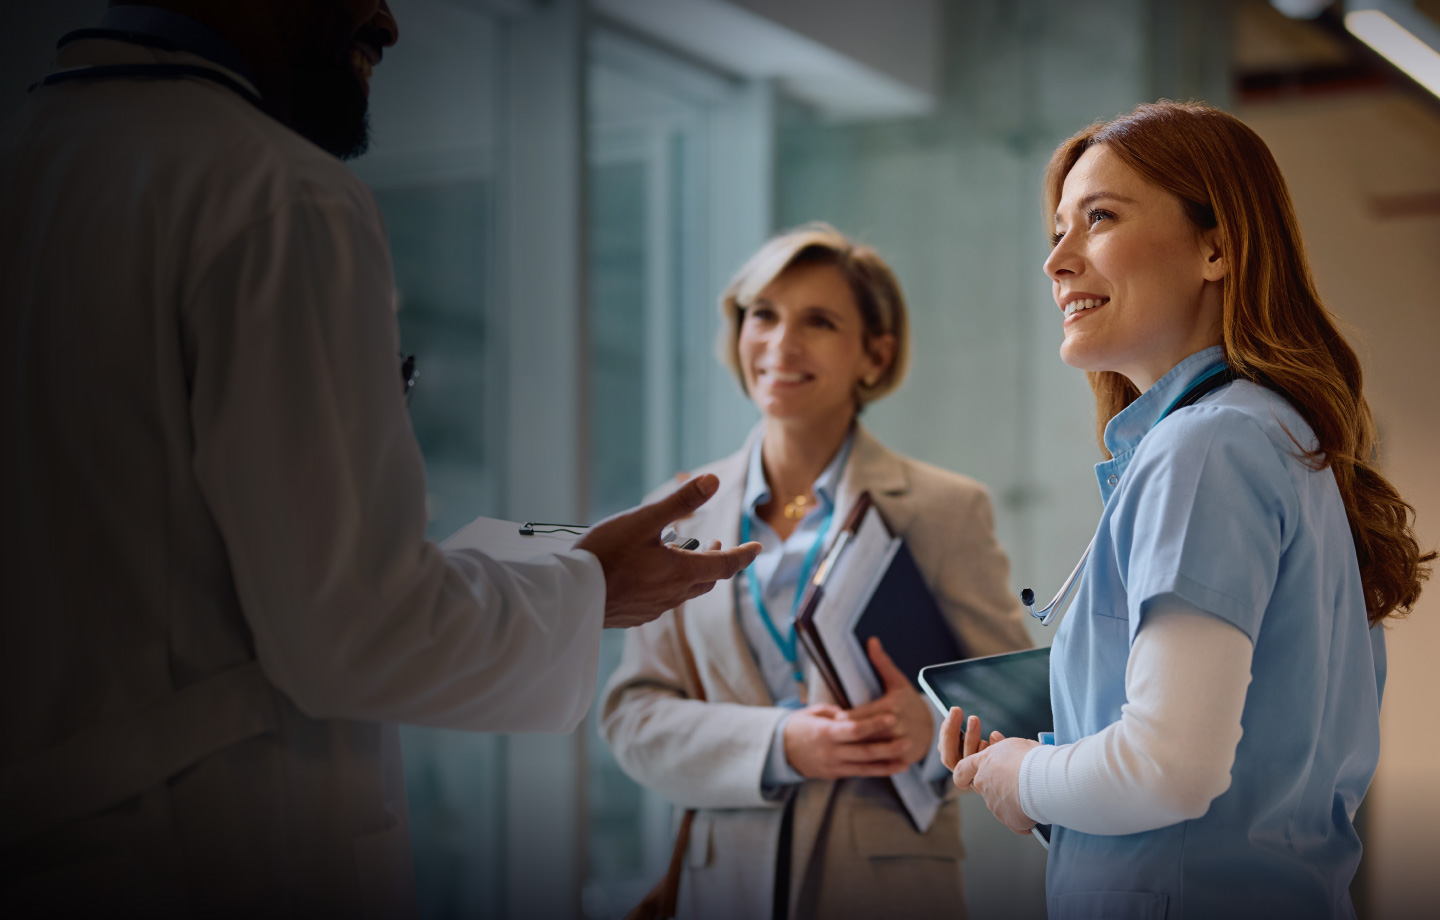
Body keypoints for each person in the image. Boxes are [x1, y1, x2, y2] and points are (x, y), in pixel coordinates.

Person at [0, 1, 758, 915]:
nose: (390, 22)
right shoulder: (276, 193)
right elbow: (356, 629)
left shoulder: (38, 161)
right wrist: (590, 586)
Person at [939, 101, 1434, 918]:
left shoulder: (1206, 447)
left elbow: (1169, 767)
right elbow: (1225, 777)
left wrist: (1019, 773)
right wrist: (1047, 776)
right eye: (1057, 231)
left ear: (1218, 245)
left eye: (1098, 218)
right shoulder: (1274, 437)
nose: (1056, 261)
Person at [602, 223, 1032, 920]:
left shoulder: (945, 509)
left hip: (890, 890)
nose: (779, 342)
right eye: (762, 315)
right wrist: (779, 743)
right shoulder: (678, 513)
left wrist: (931, 731)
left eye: (819, 321)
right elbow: (632, 716)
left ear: (875, 354)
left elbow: (1012, 702)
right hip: (721, 889)